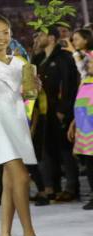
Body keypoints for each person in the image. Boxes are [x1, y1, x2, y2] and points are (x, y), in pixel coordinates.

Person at [0, 14, 47, 236]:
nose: (1, 37)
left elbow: (28, 97)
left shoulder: (20, 63)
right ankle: (29, 235)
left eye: (5, 32)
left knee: (9, 182)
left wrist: (35, 86)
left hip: (17, 125)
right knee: (22, 177)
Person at [32, 29, 80, 202]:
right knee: (47, 151)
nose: (38, 38)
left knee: (64, 150)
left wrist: (63, 109)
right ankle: (52, 187)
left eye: (41, 35)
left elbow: (69, 85)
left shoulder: (63, 58)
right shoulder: (37, 59)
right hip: (43, 111)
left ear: (51, 38)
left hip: (58, 111)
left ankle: (71, 188)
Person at [66, 50, 93, 209]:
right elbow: (81, 103)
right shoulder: (86, 80)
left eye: (90, 62)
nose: (88, 65)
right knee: (89, 165)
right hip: (85, 131)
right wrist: (73, 123)